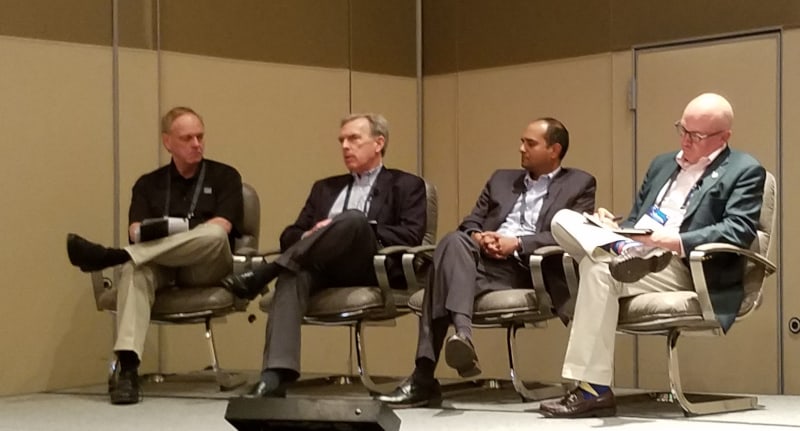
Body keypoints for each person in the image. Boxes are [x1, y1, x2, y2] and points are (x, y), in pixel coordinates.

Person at [539, 93, 766, 418]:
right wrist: (613, 226)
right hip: (637, 251)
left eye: (696, 136)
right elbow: (637, 218)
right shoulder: (662, 163)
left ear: (724, 137)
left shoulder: (744, 170)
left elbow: (738, 230)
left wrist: (675, 241)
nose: (685, 140)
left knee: (596, 268)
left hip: (683, 264)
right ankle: (617, 246)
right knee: (564, 219)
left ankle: (593, 390)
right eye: (682, 129)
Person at [377, 117, 597, 408]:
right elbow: (470, 222)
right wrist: (479, 237)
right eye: (522, 141)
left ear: (554, 150)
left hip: (530, 269)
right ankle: (462, 335)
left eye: (530, 143)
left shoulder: (580, 183)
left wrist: (517, 243)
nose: (521, 148)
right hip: (483, 261)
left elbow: (571, 234)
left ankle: (424, 377)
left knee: (442, 272)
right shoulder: (501, 180)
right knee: (452, 241)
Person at [222, 113, 427, 398]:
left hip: (370, 266)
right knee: (293, 274)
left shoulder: (407, 185)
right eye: (342, 140)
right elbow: (289, 235)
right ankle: (276, 374)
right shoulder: (325, 188)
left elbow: (410, 236)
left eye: (354, 138)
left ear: (379, 143)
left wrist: (358, 227)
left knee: (353, 219)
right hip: (321, 266)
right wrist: (311, 235)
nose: (345, 146)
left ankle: (268, 271)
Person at [66, 107, 244, 405]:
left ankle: (115, 256)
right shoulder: (148, 184)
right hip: (162, 267)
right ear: (167, 142)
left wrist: (180, 233)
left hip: (205, 267)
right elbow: (135, 230)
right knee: (135, 272)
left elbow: (222, 226)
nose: (197, 143)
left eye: (200, 136)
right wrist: (154, 238)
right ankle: (128, 368)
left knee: (212, 235)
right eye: (187, 138)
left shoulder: (225, 175)